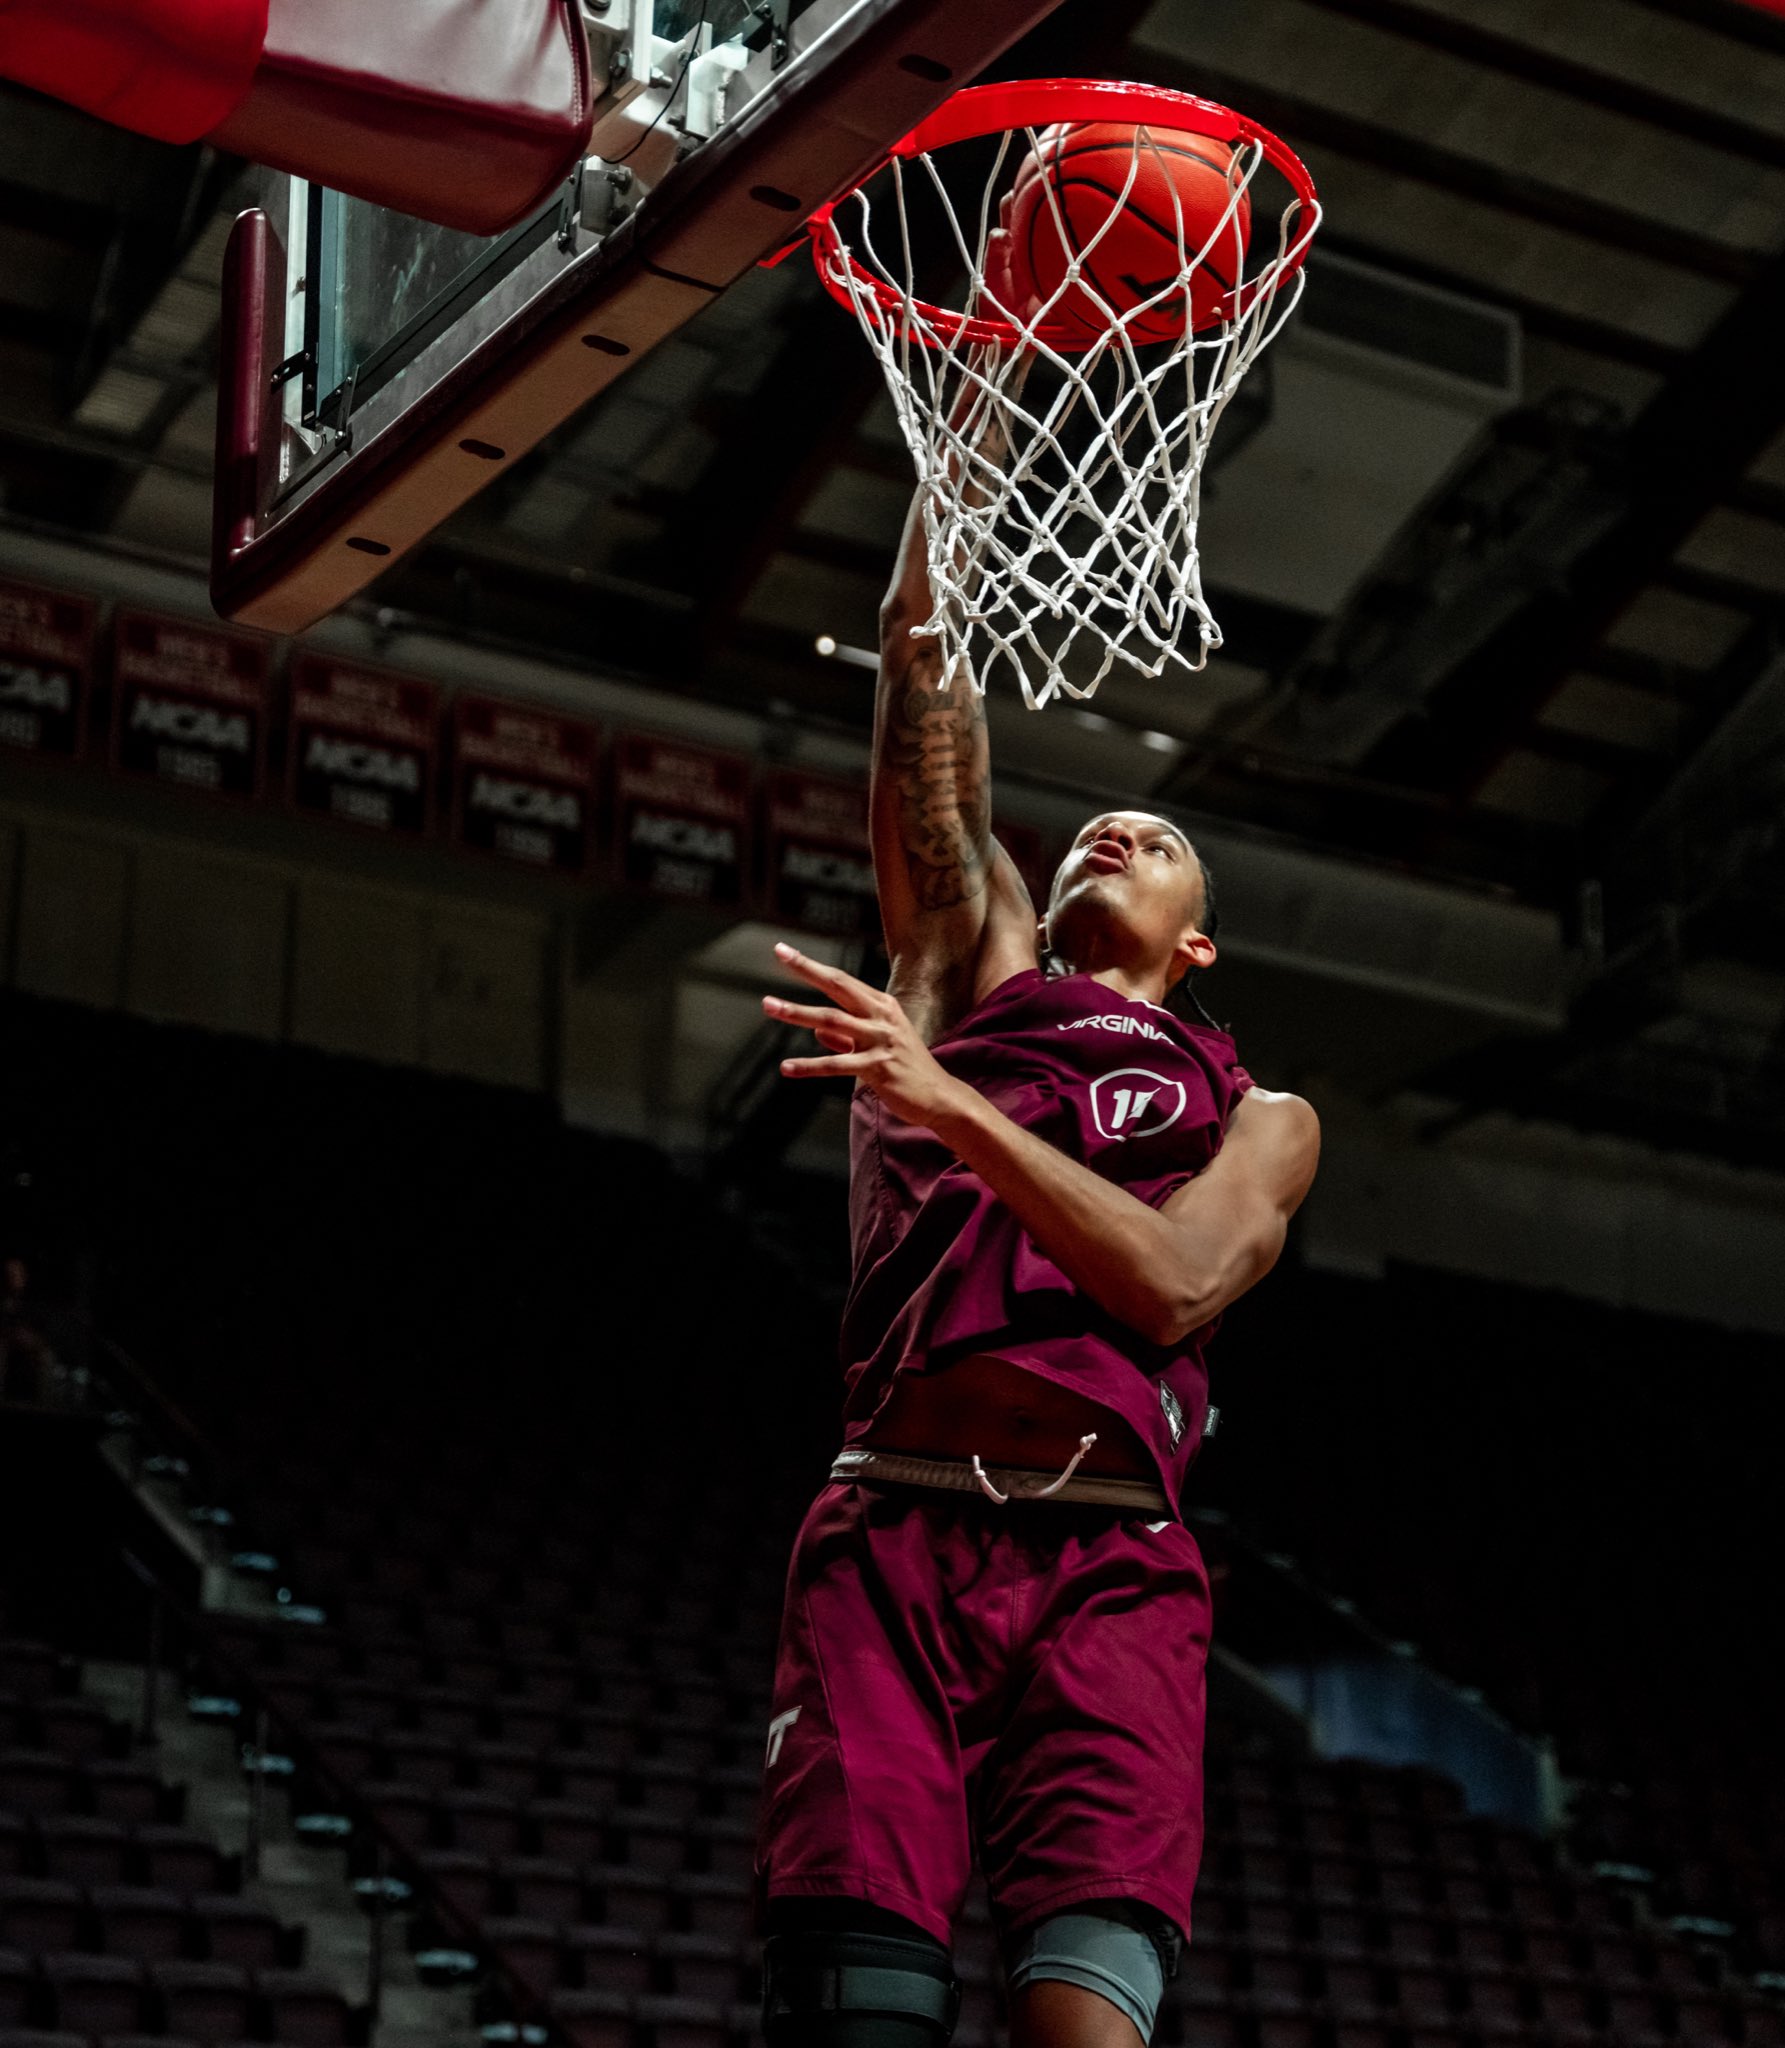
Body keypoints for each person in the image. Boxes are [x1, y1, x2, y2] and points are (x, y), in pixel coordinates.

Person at [749, 373, 1320, 2048]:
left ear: (1196, 945)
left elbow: (1172, 1284)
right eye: (1098, 826)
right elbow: (919, 652)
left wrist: (945, 1110)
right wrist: (977, 409)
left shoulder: (1261, 1116)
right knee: (856, 2009)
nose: (1117, 825)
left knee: (1084, 2021)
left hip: (1113, 1561)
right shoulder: (965, 962)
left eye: (1159, 835)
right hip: (895, 1526)